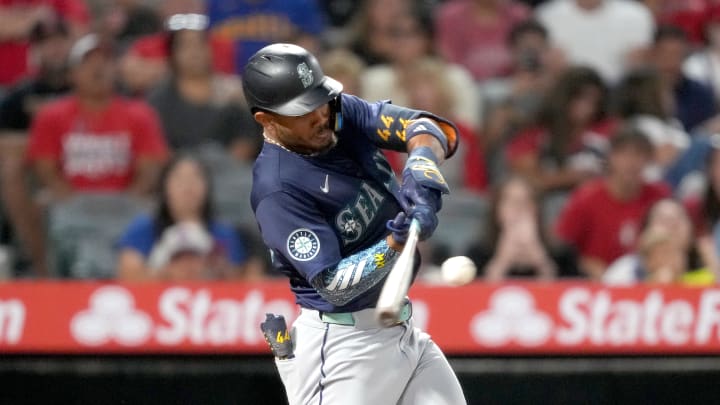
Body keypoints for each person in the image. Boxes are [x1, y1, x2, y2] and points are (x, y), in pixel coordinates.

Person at [245, 44, 466, 404]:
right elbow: (334, 287)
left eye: (320, 99)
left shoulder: (338, 114)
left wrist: (421, 163)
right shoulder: (277, 189)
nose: (320, 115)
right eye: (303, 110)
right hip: (342, 349)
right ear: (267, 120)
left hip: (403, 331)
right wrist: (396, 243)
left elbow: (427, 126)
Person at [27, 33, 169, 200]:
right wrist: (71, 201)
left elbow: (149, 170)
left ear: (116, 70)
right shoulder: (51, 115)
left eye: (105, 61)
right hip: (70, 204)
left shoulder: (140, 114)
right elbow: (45, 168)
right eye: (88, 62)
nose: (98, 67)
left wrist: (126, 203)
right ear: (72, 74)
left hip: (125, 205)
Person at [0, 18, 73, 276]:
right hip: (37, 173)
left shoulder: (87, 87)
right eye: (45, 44)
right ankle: (38, 264)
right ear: (35, 51)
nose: (54, 49)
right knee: (11, 169)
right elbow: (5, 143)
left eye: (59, 42)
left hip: (82, 165)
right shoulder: (20, 96)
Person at [554, 126, 670, 280]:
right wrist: (583, 264)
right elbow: (562, 248)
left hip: (647, 282)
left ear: (648, 160)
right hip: (595, 284)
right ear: (611, 157)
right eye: (624, 154)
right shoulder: (586, 198)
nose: (631, 162)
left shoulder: (659, 196)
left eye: (638, 154)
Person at [116, 155, 253, 281]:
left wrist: (213, 271)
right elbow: (128, 278)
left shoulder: (223, 233)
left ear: (207, 187)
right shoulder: (143, 229)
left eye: (195, 178)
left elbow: (237, 282)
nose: (188, 186)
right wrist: (166, 274)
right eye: (179, 179)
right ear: (165, 186)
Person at [146, 13, 261, 162]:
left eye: (200, 44)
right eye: (185, 46)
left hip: (231, 173)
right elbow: (157, 148)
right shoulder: (158, 100)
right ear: (172, 54)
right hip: (179, 175)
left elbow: (246, 139)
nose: (194, 52)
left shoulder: (235, 92)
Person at [506, 66, 614, 192]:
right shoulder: (534, 133)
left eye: (595, 101)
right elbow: (530, 180)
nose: (588, 107)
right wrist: (571, 177)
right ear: (564, 98)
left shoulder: (609, 128)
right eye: (580, 98)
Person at [466, 176, 576, 281]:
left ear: (536, 210)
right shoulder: (478, 253)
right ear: (497, 210)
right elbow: (474, 295)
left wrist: (541, 261)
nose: (518, 209)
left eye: (525, 202)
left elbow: (567, 292)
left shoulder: (561, 254)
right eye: (511, 202)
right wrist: (502, 261)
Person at [536, 0, 654, 84]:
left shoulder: (636, 15)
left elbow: (643, 68)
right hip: (564, 93)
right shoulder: (547, 15)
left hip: (621, 96)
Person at [604, 198, 713, 285]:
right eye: (663, 219)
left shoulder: (707, 271)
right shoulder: (625, 271)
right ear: (646, 232)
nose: (671, 225)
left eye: (678, 219)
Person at [435, 0, 530, 81]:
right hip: (466, 88)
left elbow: (528, 61)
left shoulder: (519, 15)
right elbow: (449, 64)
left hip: (513, 87)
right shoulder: (451, 17)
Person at [649, 25, 718, 132]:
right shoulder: (635, 92)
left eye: (677, 55)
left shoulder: (701, 94)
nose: (670, 63)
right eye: (664, 55)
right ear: (653, 54)